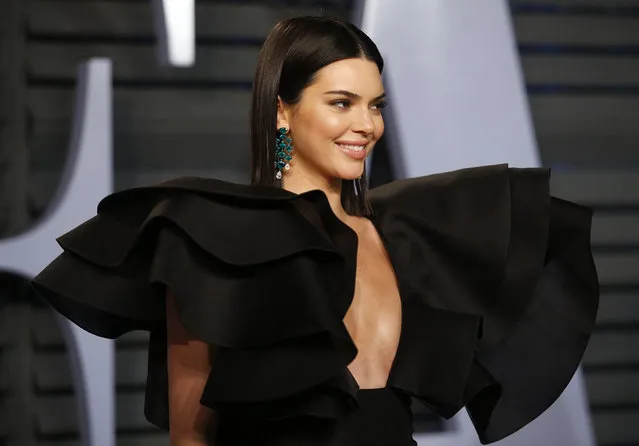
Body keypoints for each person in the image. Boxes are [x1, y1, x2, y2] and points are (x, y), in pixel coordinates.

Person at [31, 16, 599, 446]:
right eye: (341, 102)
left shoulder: (406, 235)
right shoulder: (214, 238)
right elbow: (191, 435)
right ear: (283, 111)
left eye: (375, 105)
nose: (365, 125)